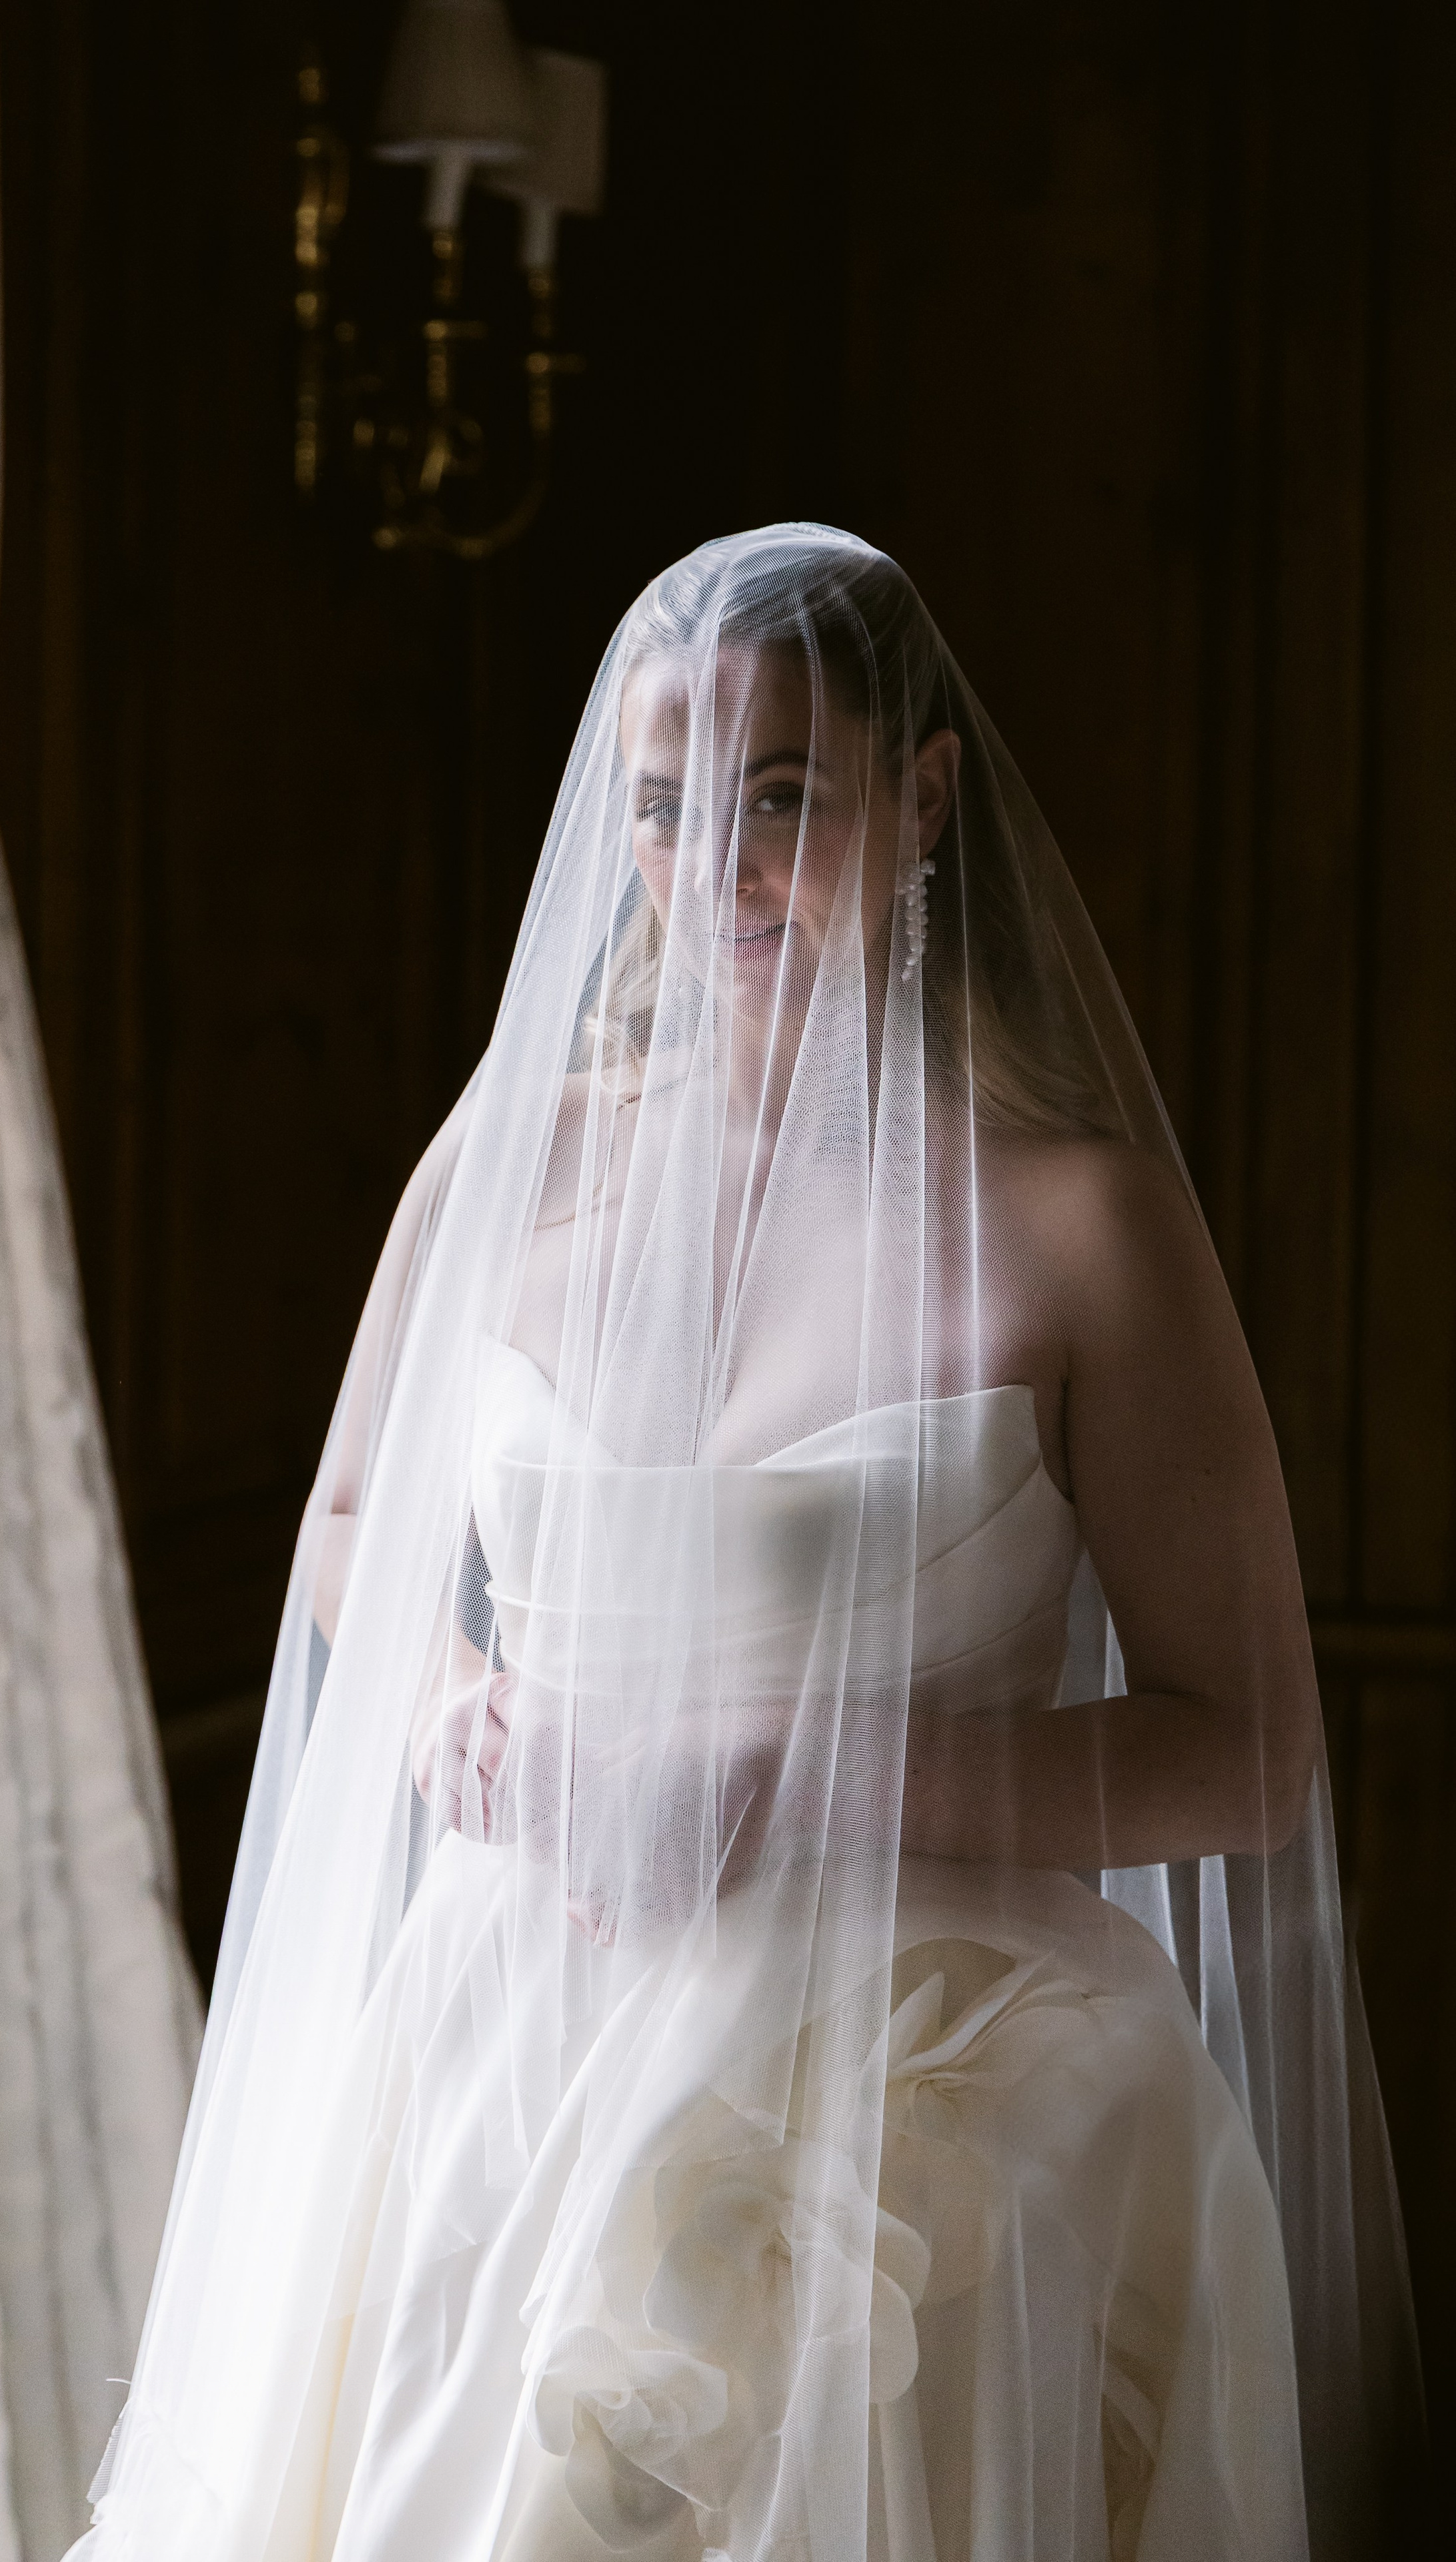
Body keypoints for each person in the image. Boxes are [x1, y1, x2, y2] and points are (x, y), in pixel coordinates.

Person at [72, 529, 1421, 2562]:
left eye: (783, 797)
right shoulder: (511, 1167)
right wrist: (453, 1698)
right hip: (508, 2030)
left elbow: (1247, 1753)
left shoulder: (1081, 1227)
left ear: (927, 796)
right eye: (665, 809)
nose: (718, 871)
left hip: (929, 2086)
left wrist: (793, 1785)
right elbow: (356, 1518)